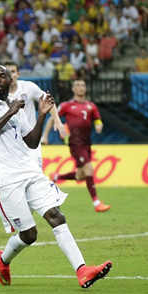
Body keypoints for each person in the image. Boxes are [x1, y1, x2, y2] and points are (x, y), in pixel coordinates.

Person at [0, 65, 112, 288]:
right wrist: (10, 113)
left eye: (2, 77)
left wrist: (42, 115)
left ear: (10, 81)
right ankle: (3, 259)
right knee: (29, 235)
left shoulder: (16, 105)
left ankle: (82, 270)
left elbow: (31, 142)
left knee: (57, 216)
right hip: (7, 180)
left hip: (30, 172)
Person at [0, 61, 66, 225]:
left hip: (30, 141)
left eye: (9, 73)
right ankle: (18, 218)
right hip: (12, 147)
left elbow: (46, 100)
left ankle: (30, 217)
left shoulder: (28, 88)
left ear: (15, 76)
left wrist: (57, 121)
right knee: (13, 180)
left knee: (34, 181)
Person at [42, 80, 111, 212]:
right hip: (75, 143)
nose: (80, 88)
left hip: (86, 143)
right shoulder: (66, 105)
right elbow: (52, 118)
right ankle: (96, 203)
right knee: (88, 169)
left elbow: (97, 119)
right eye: (78, 86)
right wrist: (45, 136)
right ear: (73, 89)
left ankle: (56, 177)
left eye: (83, 85)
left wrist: (99, 125)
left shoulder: (91, 106)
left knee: (81, 175)